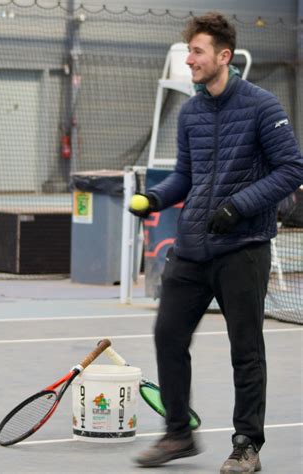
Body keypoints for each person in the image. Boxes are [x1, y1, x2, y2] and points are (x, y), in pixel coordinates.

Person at [130, 12, 303, 473]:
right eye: (189, 52)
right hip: (191, 249)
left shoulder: (263, 106)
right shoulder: (191, 112)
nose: (189, 60)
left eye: (197, 52)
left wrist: (239, 206)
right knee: (168, 335)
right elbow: (186, 176)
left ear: (223, 56)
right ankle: (177, 435)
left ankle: (247, 445)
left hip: (243, 248)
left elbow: (291, 169)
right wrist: (154, 197)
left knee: (245, 349)